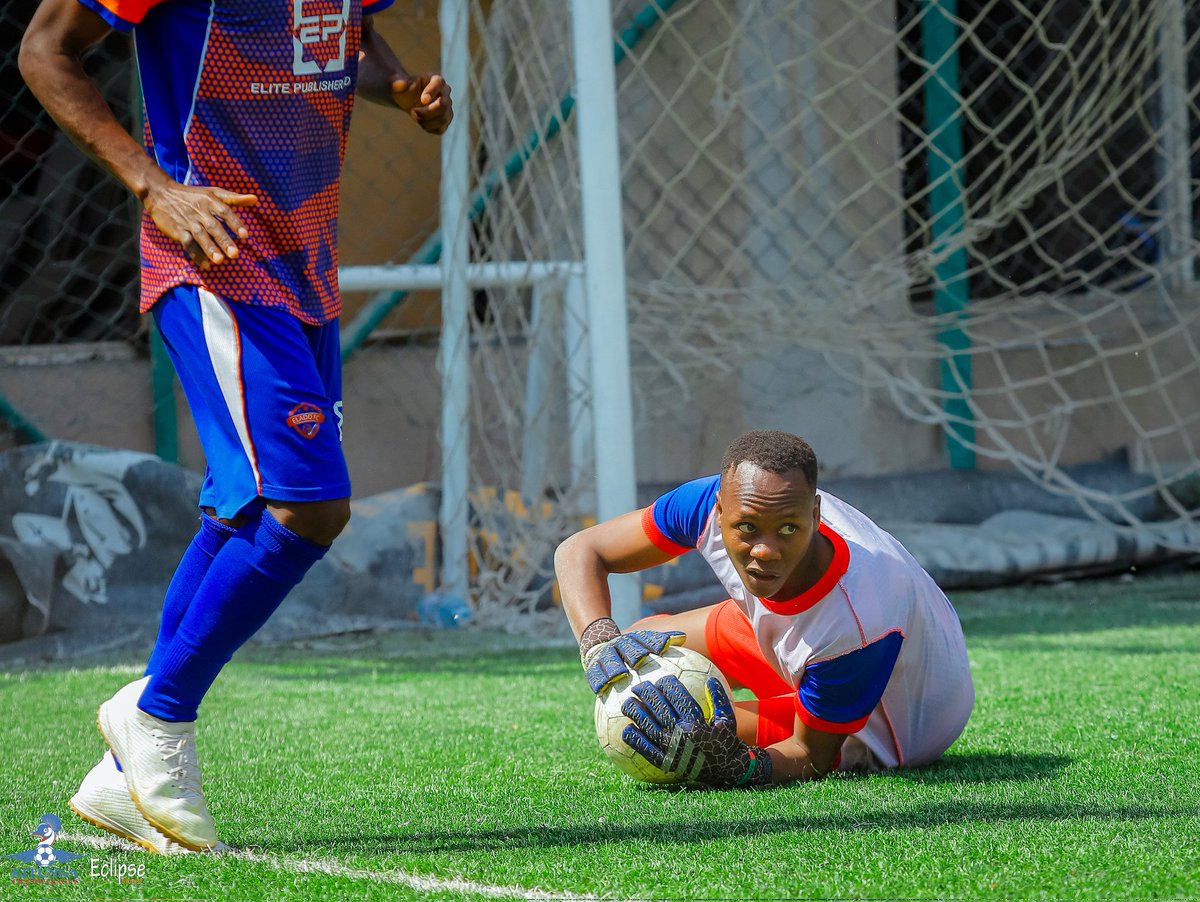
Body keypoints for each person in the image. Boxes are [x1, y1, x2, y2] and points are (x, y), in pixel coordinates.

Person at [20, 0, 452, 852]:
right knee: (309, 507)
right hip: (214, 261)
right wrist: (155, 186)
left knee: (246, 509)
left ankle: (119, 777)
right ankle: (158, 716)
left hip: (304, 261)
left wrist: (398, 85)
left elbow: (338, 36)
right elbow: (44, 51)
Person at [555, 430, 973, 787]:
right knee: (638, 656)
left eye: (789, 529)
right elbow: (580, 551)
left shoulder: (858, 624)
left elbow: (809, 755)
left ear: (815, 514)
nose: (765, 550)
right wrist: (597, 640)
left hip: (885, 719)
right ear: (719, 511)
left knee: (667, 733)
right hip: (810, 641)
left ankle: (778, 704)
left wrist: (742, 767)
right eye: (747, 528)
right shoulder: (708, 504)